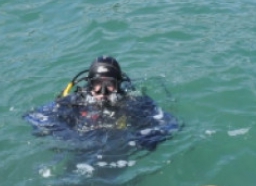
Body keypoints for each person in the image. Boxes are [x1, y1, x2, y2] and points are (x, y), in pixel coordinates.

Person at [23, 56, 179, 153]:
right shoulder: (76, 101)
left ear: (118, 85)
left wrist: (146, 138)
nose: (102, 91)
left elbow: (169, 124)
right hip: (82, 151)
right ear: (89, 84)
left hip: (117, 152)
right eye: (97, 84)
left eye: (109, 84)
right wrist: (68, 137)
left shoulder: (132, 102)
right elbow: (35, 117)